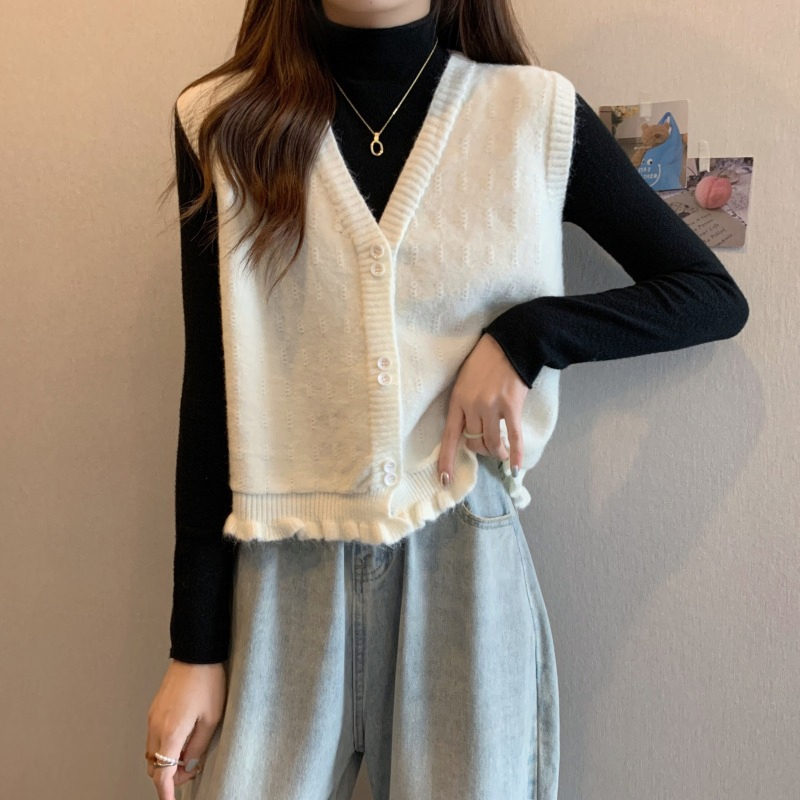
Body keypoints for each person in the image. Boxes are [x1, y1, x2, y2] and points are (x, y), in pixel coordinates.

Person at [145, 1, 750, 799]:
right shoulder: (223, 123)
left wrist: (528, 335)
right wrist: (194, 648)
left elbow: (708, 295)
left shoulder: (532, 114)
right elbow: (210, 396)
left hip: (465, 550)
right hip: (282, 560)